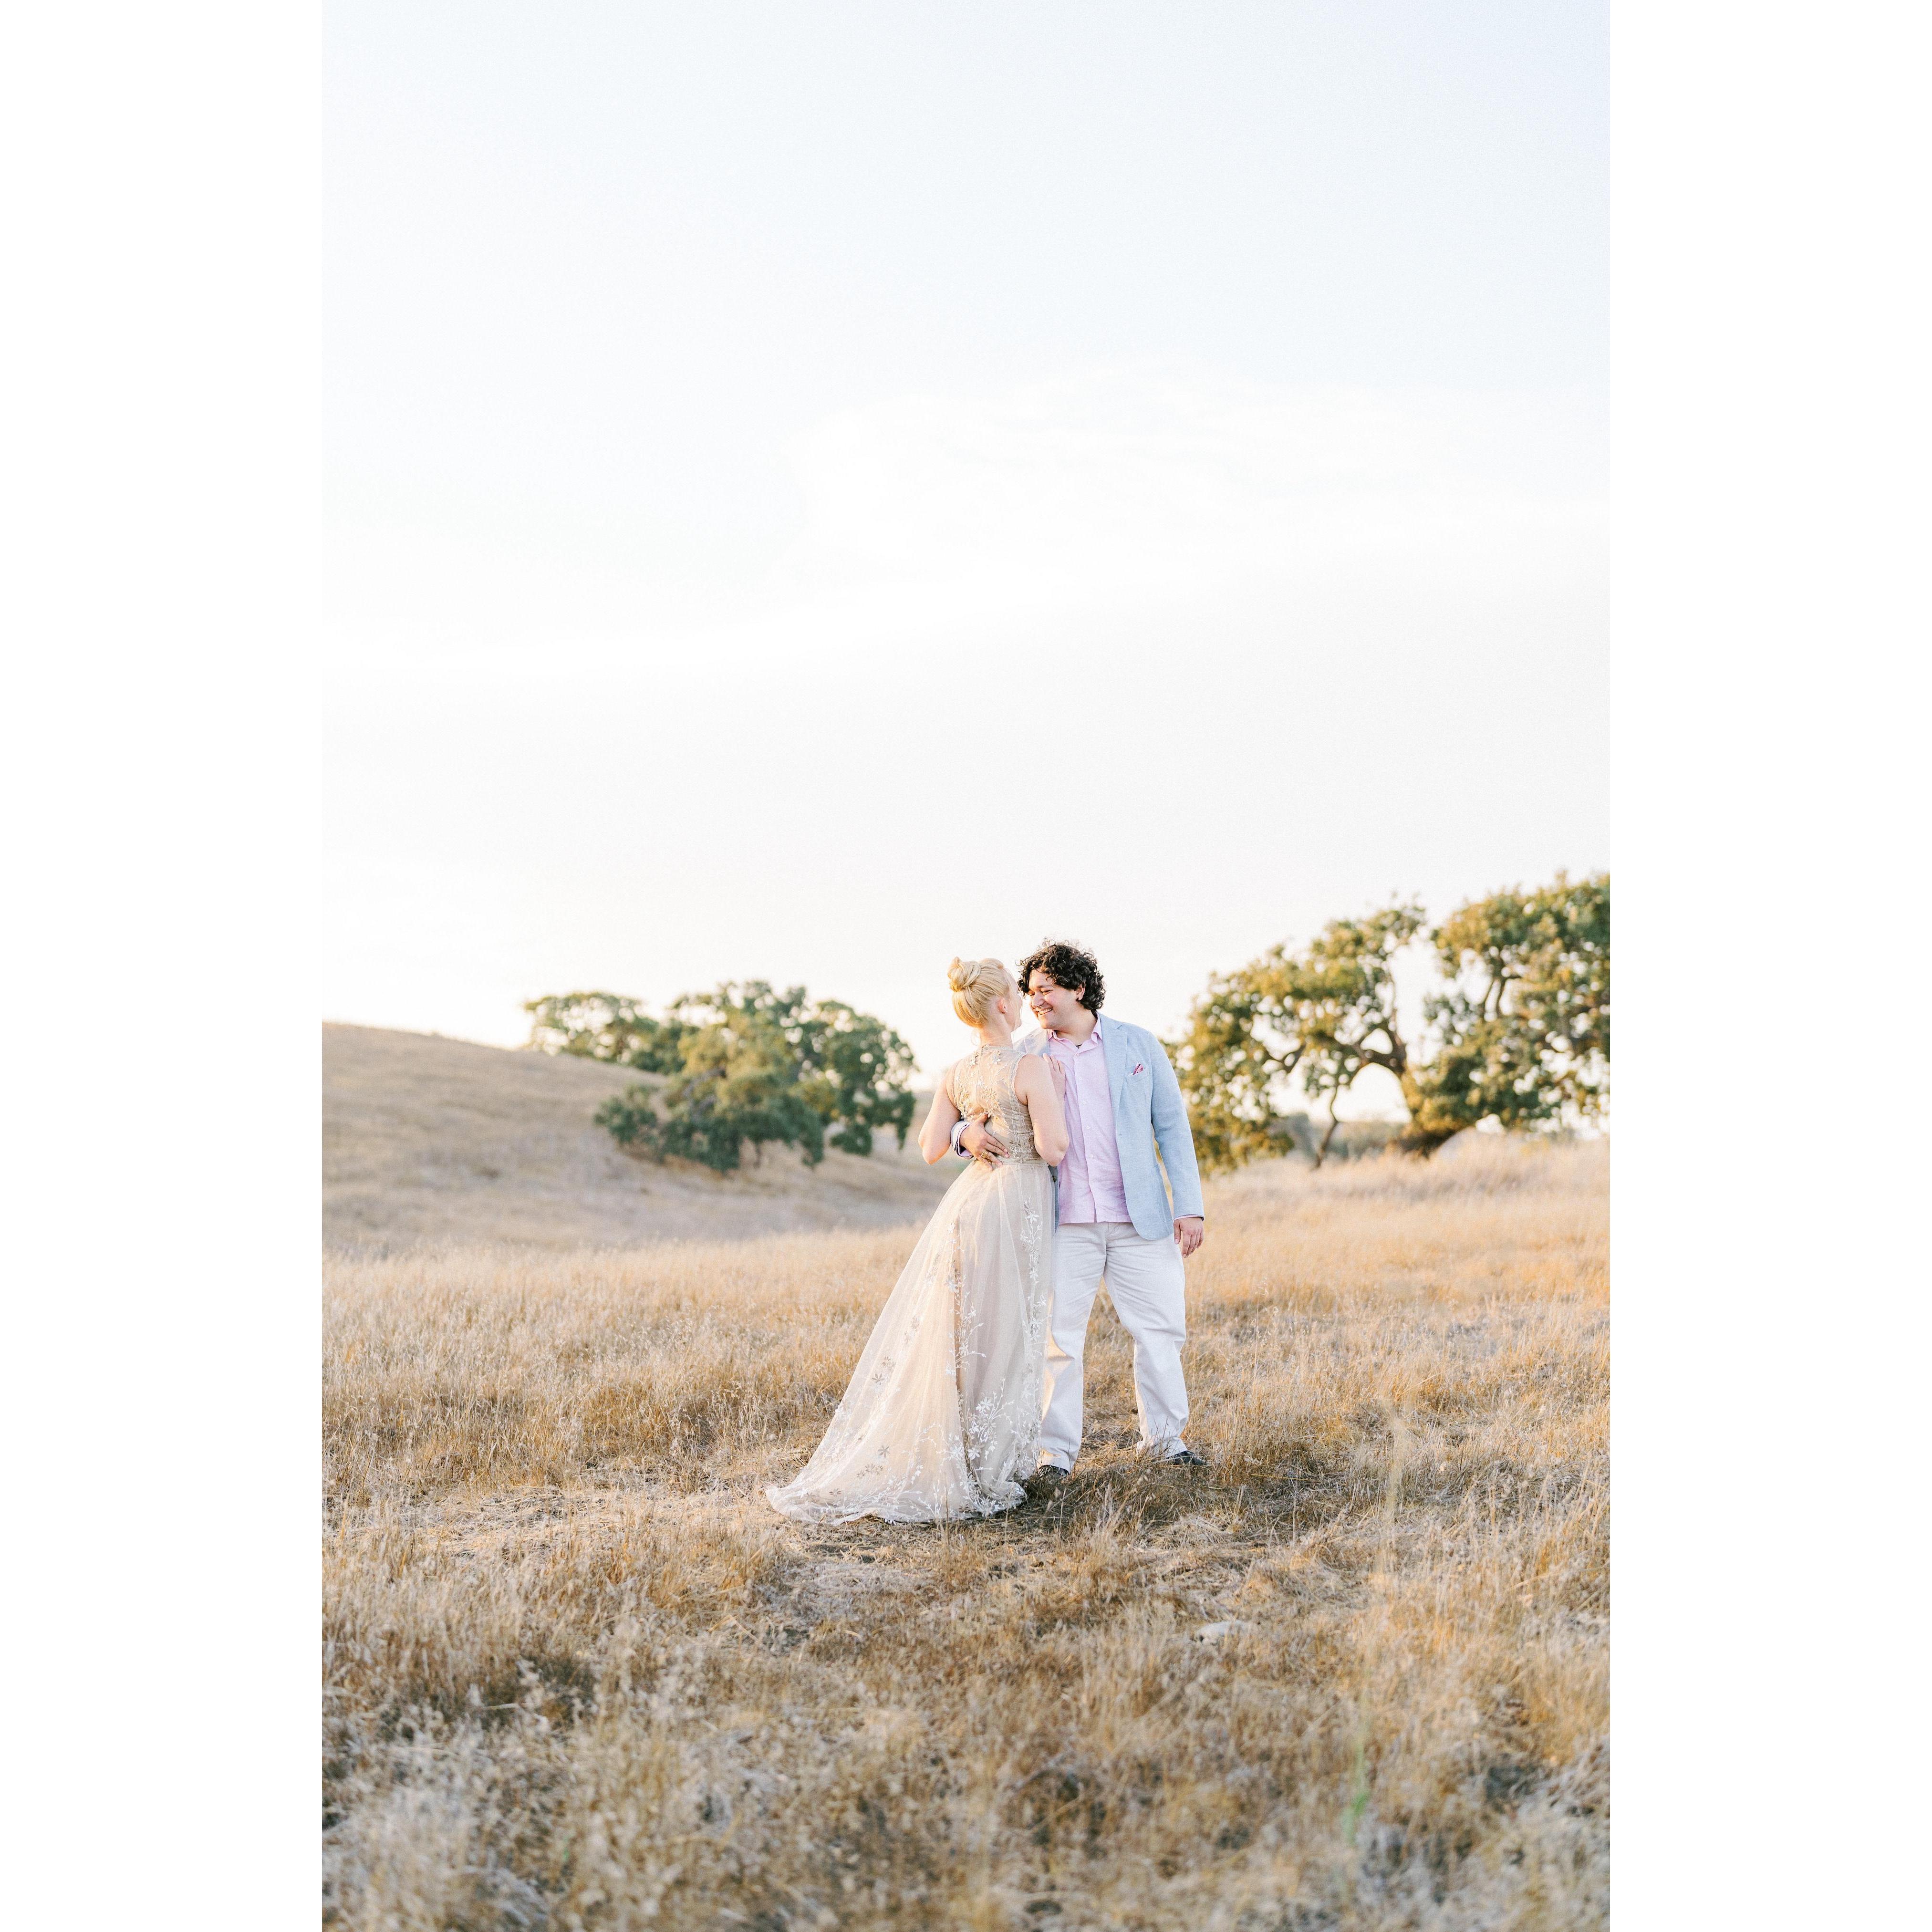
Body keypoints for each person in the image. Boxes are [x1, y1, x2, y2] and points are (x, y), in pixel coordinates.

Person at [766, 956, 1070, 1524]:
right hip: (1016, 1203)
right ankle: (990, 1463)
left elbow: (930, 1147)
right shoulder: (1031, 1069)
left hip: (970, 1205)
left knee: (968, 1329)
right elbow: (1054, 1150)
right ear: (1005, 1005)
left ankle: (970, 1452)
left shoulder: (956, 1073)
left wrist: (965, 1130)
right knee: (1008, 1328)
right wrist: (1042, 1104)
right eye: (1016, 992)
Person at [952, 939, 1205, 1479]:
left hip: (1143, 1220)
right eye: (1030, 992)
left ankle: (1166, 1441)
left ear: (1079, 988)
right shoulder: (1023, 1054)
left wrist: (1191, 1207)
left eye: (1046, 989)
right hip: (1062, 1221)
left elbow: (1172, 1129)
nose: (1035, 1000)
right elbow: (969, 1100)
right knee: (1059, 1340)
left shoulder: (1140, 1045)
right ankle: (1055, 1457)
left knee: (1161, 1331)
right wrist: (963, 1131)